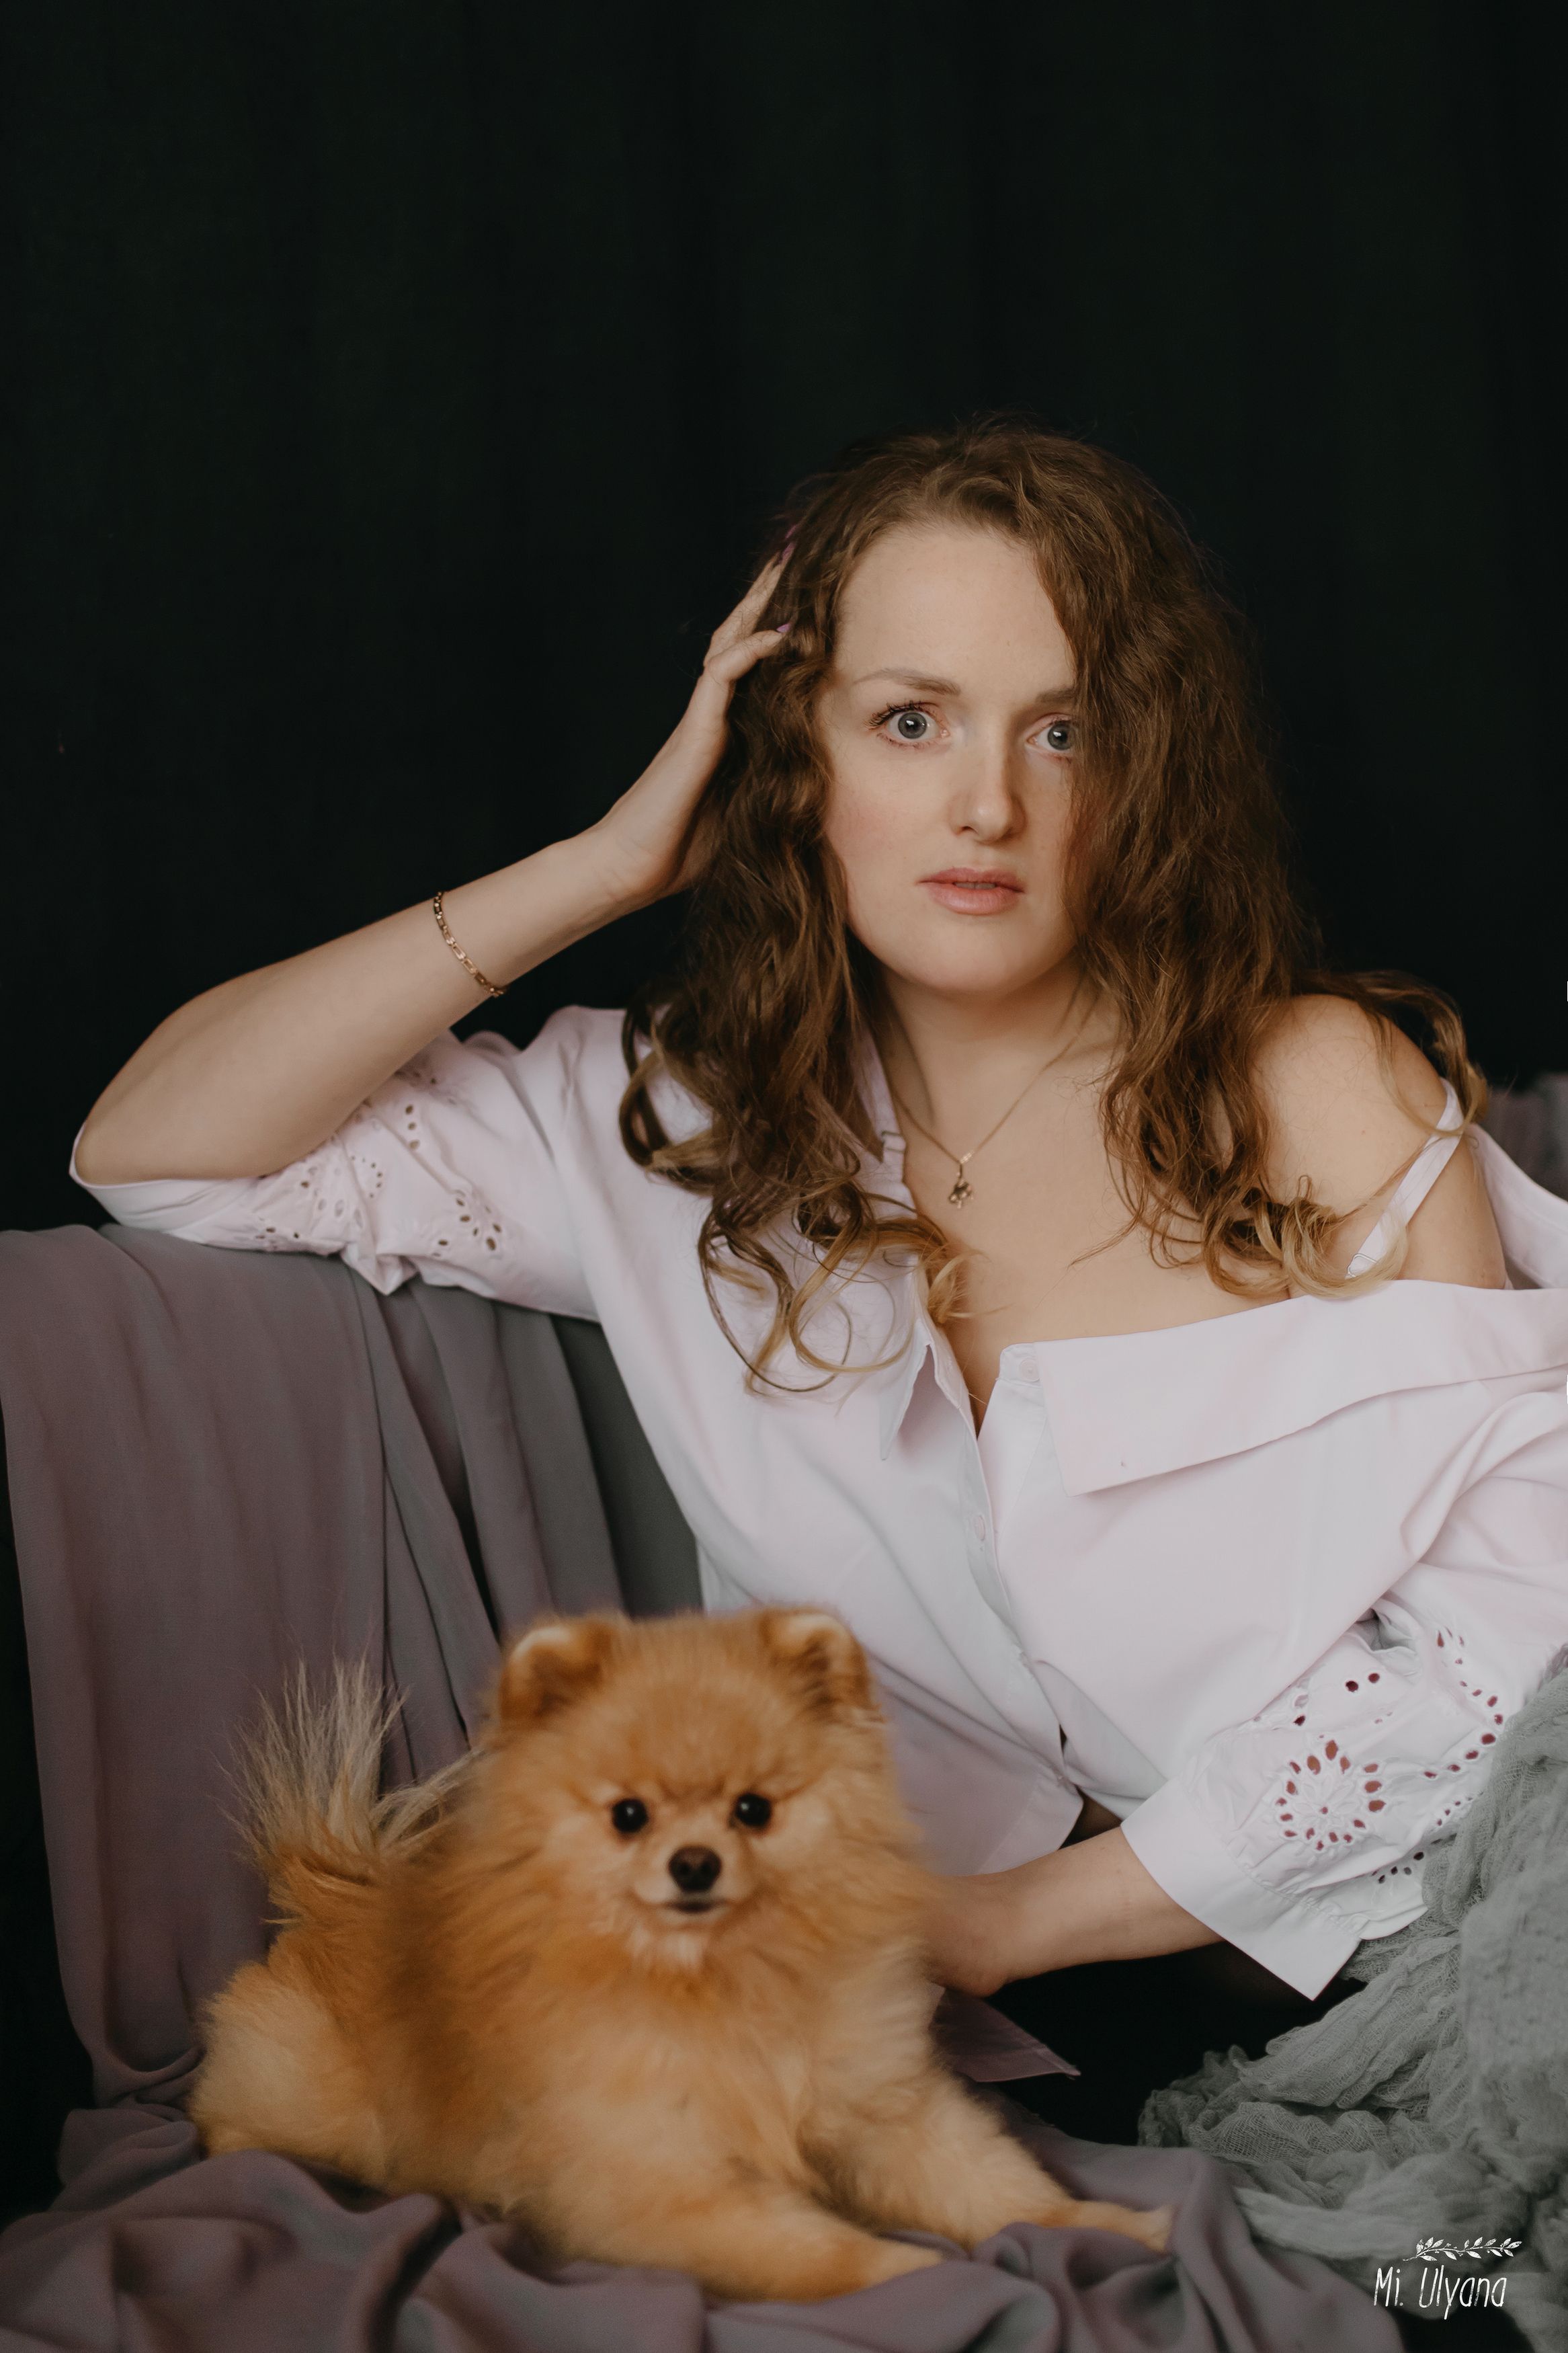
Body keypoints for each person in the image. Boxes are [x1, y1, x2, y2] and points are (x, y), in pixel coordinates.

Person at [73, 422, 1568, 2094]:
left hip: (1486, 1921)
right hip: (1097, 2048)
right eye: (909, 721)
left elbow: (1513, 1647)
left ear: (1145, 766)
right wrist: (601, 867)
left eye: (1063, 729)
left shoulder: (1317, 1089)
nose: (987, 805)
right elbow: (158, 1152)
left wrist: (1008, 1921)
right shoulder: (676, 1133)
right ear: (793, 752)